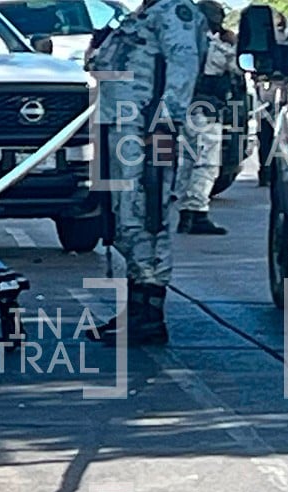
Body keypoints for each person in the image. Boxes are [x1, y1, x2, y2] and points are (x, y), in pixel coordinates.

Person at [86, 0, 204, 345]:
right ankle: (134, 311)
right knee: (124, 219)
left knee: (149, 215)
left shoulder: (175, 11)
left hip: (149, 132)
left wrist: (165, 125)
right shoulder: (141, 16)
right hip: (121, 129)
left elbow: (183, 67)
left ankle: (150, 315)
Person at [174, 0, 236, 235]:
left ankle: (185, 214)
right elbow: (236, 68)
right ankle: (197, 213)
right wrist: (232, 43)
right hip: (205, 110)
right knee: (207, 163)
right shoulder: (214, 45)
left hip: (184, 109)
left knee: (187, 162)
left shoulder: (182, 43)